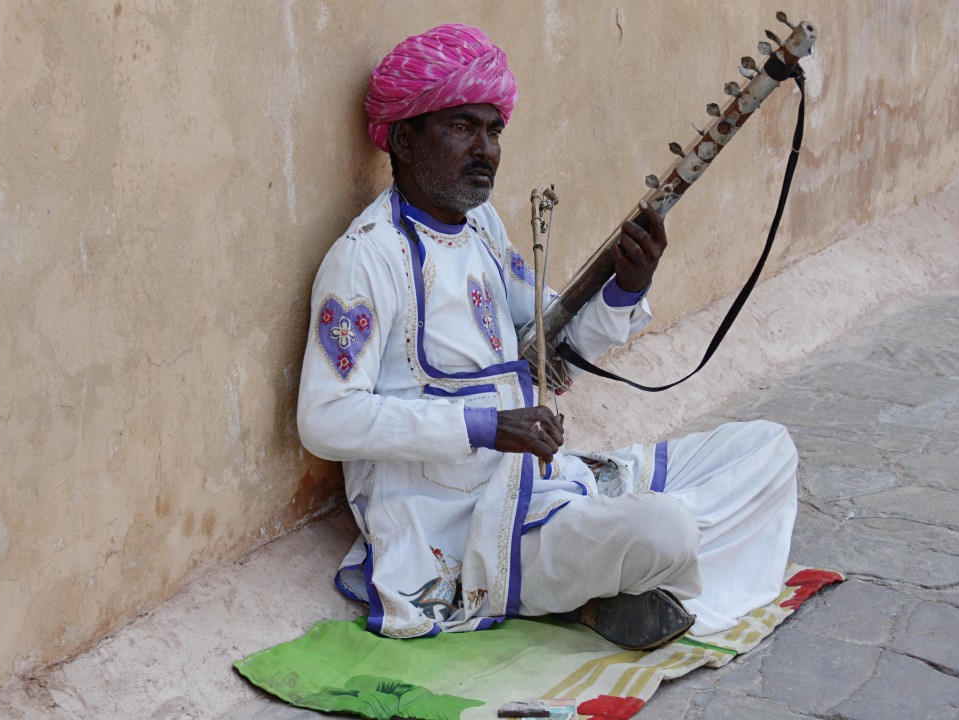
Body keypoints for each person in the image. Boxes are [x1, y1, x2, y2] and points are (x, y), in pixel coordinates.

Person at [296, 23, 798, 650]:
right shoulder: (367, 258)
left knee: (767, 449)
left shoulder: (481, 227)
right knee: (665, 530)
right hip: (463, 529)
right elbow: (325, 417)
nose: (485, 150)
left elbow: (553, 351)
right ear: (403, 138)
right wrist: (487, 427)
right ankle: (615, 573)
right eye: (462, 127)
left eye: (493, 130)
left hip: (548, 484)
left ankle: (611, 576)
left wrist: (627, 287)